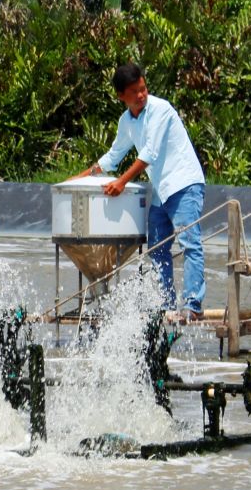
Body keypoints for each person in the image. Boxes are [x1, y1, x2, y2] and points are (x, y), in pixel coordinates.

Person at [71, 63, 206, 318]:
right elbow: (113, 156)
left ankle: (192, 305)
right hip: (161, 190)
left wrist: (121, 182)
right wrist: (81, 177)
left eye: (143, 88)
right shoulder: (126, 121)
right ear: (122, 96)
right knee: (157, 248)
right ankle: (166, 304)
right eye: (134, 91)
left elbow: (150, 153)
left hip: (183, 183)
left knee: (190, 244)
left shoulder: (160, 109)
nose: (141, 95)